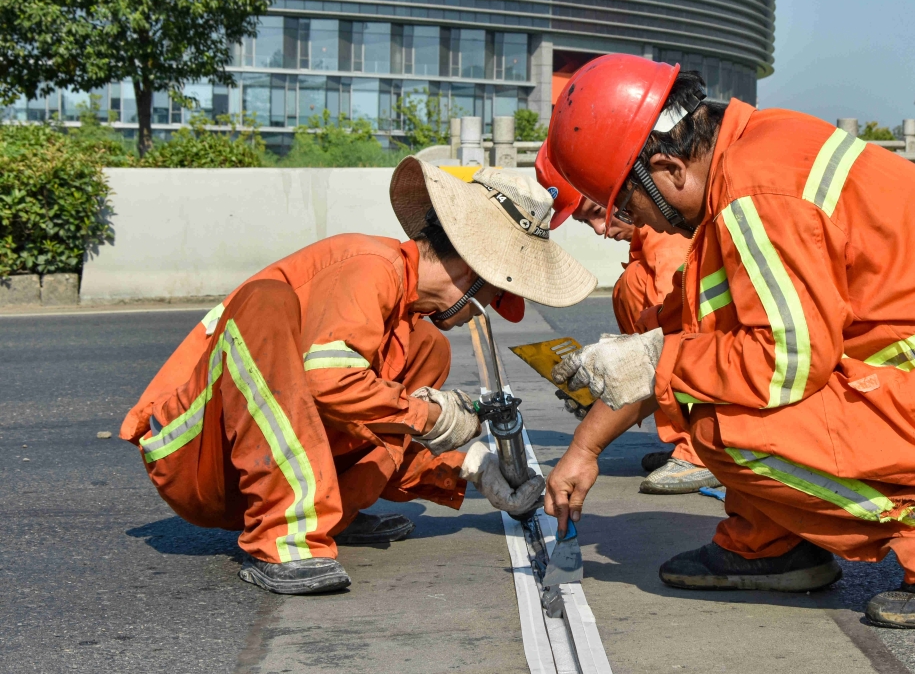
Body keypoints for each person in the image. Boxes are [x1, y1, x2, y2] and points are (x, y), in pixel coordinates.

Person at [540, 54, 915, 628]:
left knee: (722, 423)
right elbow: (688, 332)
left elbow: (784, 365)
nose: (627, 223)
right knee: (709, 366)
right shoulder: (752, 151)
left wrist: (655, 359)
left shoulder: (756, 198)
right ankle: (769, 543)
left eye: (627, 205)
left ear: (669, 168)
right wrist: (585, 447)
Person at [120, 161, 596, 595]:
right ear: (476, 269)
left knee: (424, 349)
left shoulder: (408, 322)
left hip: (245, 469)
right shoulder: (372, 266)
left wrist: (470, 465)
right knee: (264, 307)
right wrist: (429, 416)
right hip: (197, 457)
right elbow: (329, 383)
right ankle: (284, 535)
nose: (492, 306)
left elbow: (371, 427)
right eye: (499, 291)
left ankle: (328, 516)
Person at [536, 146, 720, 495]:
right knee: (632, 286)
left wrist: (621, 376)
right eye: (584, 222)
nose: (599, 229)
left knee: (642, 291)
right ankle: (689, 436)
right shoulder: (649, 237)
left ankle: (703, 450)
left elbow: (678, 335)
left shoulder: (662, 237)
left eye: (595, 212)